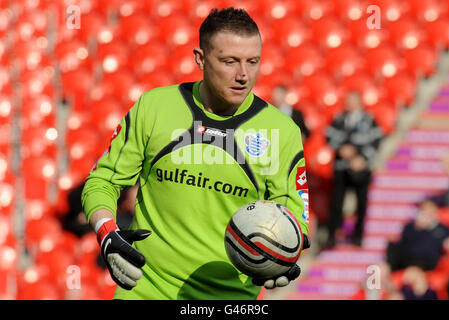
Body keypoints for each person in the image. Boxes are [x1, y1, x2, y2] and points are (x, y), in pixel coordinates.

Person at [81, 8, 310, 300]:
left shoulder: (282, 131)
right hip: (144, 291)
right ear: (200, 58)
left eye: (253, 62)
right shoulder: (154, 108)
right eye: (230, 61)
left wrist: (285, 255)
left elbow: (294, 218)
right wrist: (107, 234)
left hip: (231, 299)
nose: (243, 75)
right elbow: (102, 181)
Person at [324, 91, 383, 247]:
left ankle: (358, 236)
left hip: (361, 169)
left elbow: (377, 140)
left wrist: (362, 158)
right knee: (337, 202)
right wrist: (340, 149)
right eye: (347, 100)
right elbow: (328, 136)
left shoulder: (369, 119)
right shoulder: (339, 118)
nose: (349, 103)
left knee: (361, 202)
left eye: (352, 100)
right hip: (341, 168)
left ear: (359, 102)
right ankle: (332, 235)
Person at [386, 199, 449, 271]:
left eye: (430, 208)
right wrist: (417, 228)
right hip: (406, 262)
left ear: (436, 211)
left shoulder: (444, 229)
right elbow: (404, 242)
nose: (427, 212)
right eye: (424, 209)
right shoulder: (410, 227)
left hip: (427, 264)